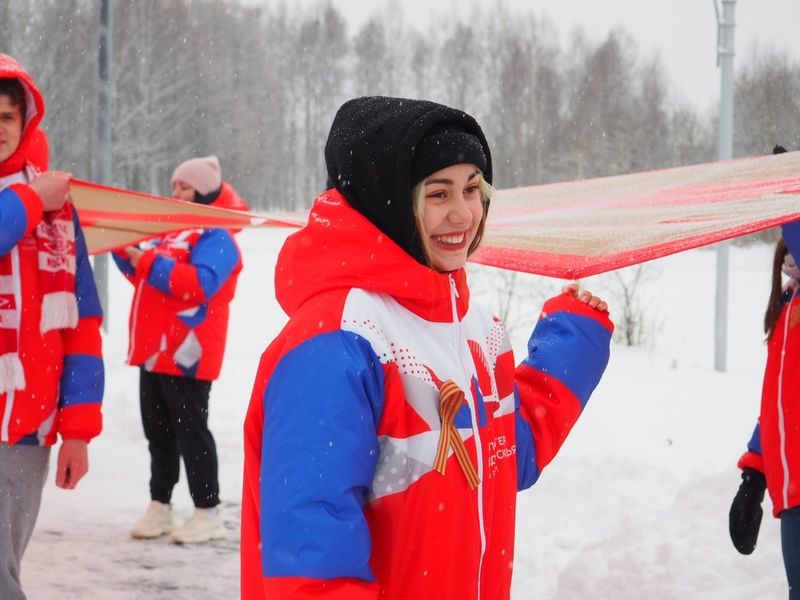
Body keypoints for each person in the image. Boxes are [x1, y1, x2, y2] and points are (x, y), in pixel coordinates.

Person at [241, 96, 614, 599]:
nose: (463, 213)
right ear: (390, 201)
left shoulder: (476, 330)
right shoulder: (339, 340)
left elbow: (503, 459)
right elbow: (313, 550)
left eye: (472, 189)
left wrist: (575, 343)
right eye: (438, 194)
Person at [0, 54, 104, 600]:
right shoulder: (38, 199)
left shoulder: (57, 211)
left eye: (6, 117)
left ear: (25, 123)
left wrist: (79, 429)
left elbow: (82, 324)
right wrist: (26, 200)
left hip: (24, 427)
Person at [113, 155, 246, 544]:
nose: (176, 194)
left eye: (184, 187)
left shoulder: (219, 236)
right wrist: (126, 252)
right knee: (159, 433)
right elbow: (147, 275)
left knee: (191, 433)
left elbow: (198, 284)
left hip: (188, 352)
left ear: (206, 192)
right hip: (155, 350)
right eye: (174, 187)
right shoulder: (174, 232)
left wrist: (147, 260)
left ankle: (208, 510)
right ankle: (161, 505)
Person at [730, 175, 800, 598]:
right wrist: (754, 475)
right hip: (792, 495)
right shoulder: (788, 310)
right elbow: (779, 406)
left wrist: (790, 188)